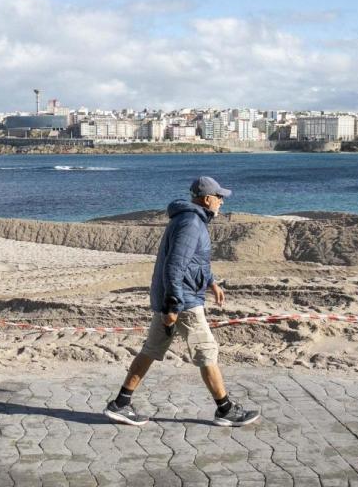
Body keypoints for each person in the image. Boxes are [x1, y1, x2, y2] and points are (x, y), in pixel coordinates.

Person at [104, 176, 260, 427]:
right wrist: (172, 305)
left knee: (150, 350)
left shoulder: (190, 219)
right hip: (184, 302)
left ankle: (120, 404)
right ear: (207, 199)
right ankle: (225, 410)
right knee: (206, 352)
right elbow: (174, 266)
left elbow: (196, 261)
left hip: (178, 297)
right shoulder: (191, 223)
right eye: (219, 197)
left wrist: (211, 282)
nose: (222, 202)